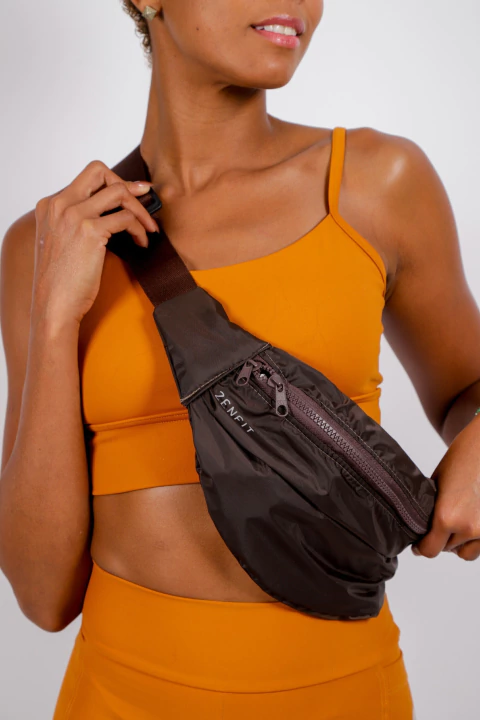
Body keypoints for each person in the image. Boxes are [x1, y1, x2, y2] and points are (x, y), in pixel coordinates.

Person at [1, 1, 480, 718]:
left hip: (344, 696)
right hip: (115, 699)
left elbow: (468, 388)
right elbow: (43, 596)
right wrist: (53, 316)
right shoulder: (49, 242)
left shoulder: (375, 184)